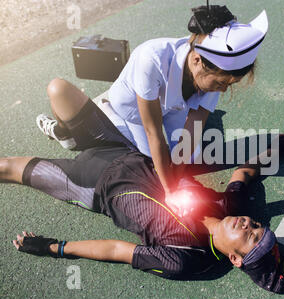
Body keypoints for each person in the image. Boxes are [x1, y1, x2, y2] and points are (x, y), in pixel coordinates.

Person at [35, 5, 269, 212]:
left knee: (191, 157)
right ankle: (64, 131)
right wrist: (171, 191)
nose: (224, 90)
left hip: (170, 108)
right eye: (221, 83)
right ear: (197, 60)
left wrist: (176, 179)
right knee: (150, 169)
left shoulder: (214, 75)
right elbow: (153, 133)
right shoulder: (152, 58)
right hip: (129, 112)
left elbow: (192, 133)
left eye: (230, 84)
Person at [1, 139, 284, 294]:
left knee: (6, 167)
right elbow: (243, 174)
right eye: (256, 225)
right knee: (59, 90)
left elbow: (118, 250)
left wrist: (55, 247)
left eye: (250, 236)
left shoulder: (184, 258)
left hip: (95, 183)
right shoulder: (231, 205)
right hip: (124, 148)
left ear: (235, 259)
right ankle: (65, 133)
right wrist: (272, 152)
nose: (248, 224)